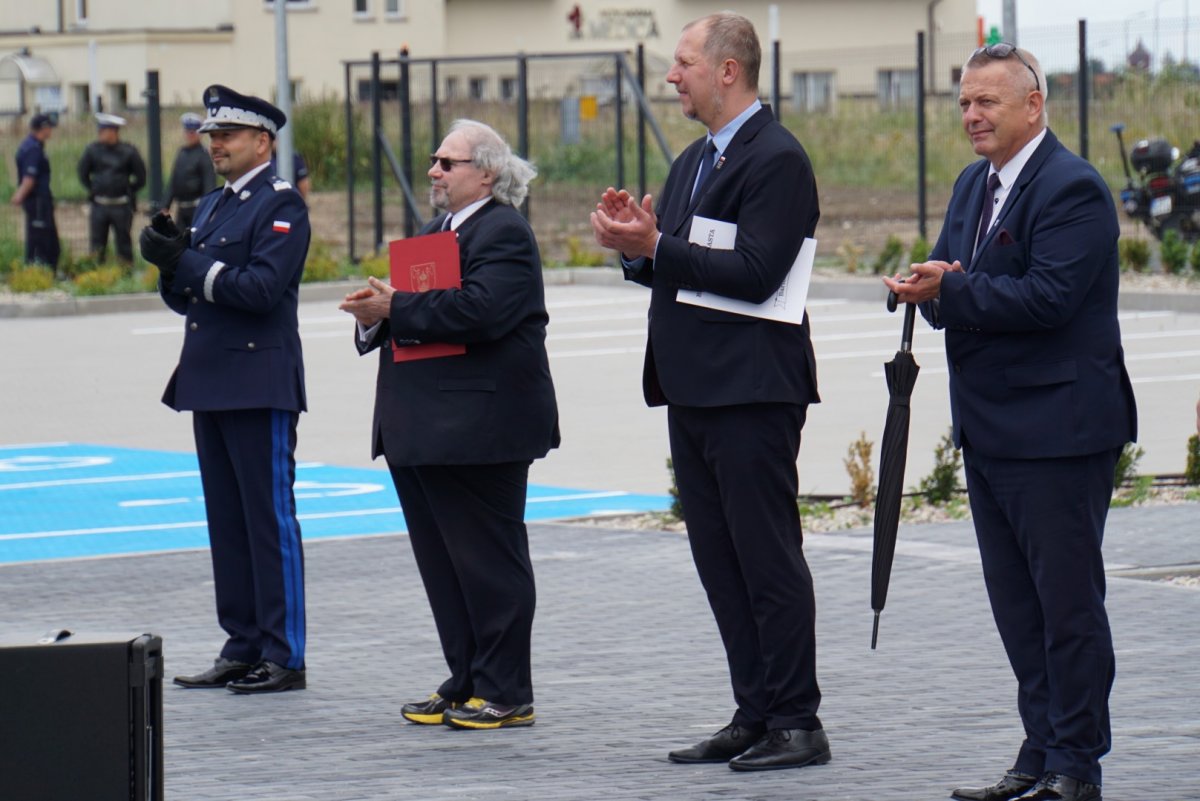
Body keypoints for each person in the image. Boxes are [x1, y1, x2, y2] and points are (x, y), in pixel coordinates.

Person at [883, 45, 1137, 801]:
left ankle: (1076, 764)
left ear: (1034, 105)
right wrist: (920, 286)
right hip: (990, 431)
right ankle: (1039, 747)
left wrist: (954, 292)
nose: (972, 116)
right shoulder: (971, 184)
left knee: (1067, 608)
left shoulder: (1073, 189)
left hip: (1060, 432)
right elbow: (950, 273)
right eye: (965, 103)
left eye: (988, 102)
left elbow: (1048, 298)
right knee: (1018, 610)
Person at [590, 12, 828, 772]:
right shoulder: (693, 159)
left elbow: (758, 272)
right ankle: (754, 710)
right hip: (694, 389)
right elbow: (681, 265)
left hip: (752, 391)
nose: (672, 76)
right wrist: (640, 249)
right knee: (719, 560)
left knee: (767, 558)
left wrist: (659, 245)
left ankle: (797, 719)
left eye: (684, 62)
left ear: (728, 70)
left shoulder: (777, 157)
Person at [339, 119, 559, 730]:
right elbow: (426, 319)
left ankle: (507, 690)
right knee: (446, 566)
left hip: (480, 429)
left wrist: (398, 306)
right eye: (434, 161)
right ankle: (465, 680)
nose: (433, 171)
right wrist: (374, 317)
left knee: (489, 563)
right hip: (427, 428)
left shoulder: (505, 231)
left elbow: (482, 312)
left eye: (447, 162)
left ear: (485, 172)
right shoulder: (438, 230)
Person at [140, 85, 311, 695]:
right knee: (228, 522)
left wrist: (186, 266)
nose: (215, 145)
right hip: (210, 377)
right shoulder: (212, 206)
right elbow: (189, 294)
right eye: (212, 136)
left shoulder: (280, 204)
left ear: (262, 142)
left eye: (227, 136)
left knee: (268, 520)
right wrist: (167, 262)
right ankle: (241, 644)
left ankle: (284, 653)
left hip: (257, 379)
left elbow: (260, 289)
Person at [77, 113, 146, 264]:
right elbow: (83, 174)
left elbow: (141, 178)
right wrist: (94, 188)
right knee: (97, 244)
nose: (100, 135)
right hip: (99, 205)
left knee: (123, 243)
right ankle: (97, 273)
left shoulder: (128, 151)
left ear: (113, 132)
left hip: (121, 206)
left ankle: (126, 272)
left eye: (103, 131)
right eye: (100, 131)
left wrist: (128, 189)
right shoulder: (92, 150)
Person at [9, 113, 60, 271]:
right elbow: (29, 179)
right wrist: (19, 196)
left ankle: (45, 270)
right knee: (41, 237)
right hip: (37, 200)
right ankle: (40, 270)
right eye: (49, 128)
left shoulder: (33, 146)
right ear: (43, 128)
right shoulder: (33, 149)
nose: (51, 131)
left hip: (39, 199)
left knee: (46, 237)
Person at [163, 112, 216, 230]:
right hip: (182, 209)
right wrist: (166, 205)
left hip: (197, 209)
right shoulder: (181, 153)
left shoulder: (203, 155)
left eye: (193, 132)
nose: (190, 135)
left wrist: (207, 209)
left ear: (199, 134)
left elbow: (209, 185)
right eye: (187, 132)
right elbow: (174, 181)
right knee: (180, 243)